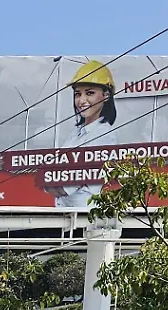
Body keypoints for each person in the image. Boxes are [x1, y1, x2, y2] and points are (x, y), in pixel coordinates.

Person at [53, 59, 125, 209]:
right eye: (77, 94)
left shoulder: (104, 134)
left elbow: (67, 186)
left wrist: (49, 184)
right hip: (65, 214)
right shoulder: (76, 134)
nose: (82, 100)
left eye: (90, 93)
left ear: (106, 96)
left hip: (85, 217)